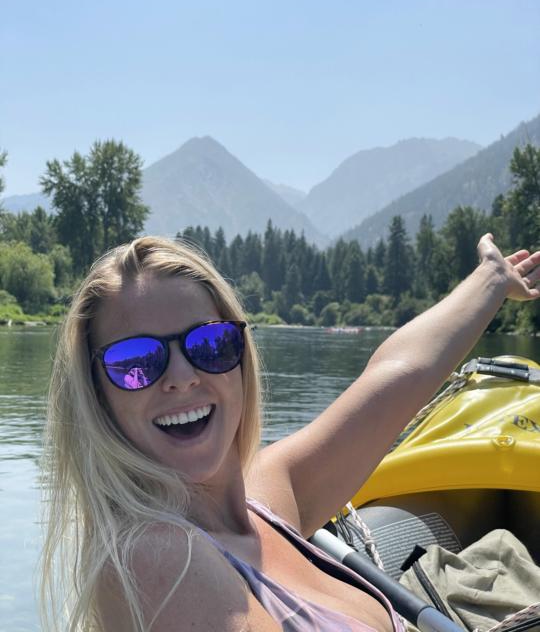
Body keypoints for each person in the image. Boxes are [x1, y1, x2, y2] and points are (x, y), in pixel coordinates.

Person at [40, 233, 540, 632]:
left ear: (240, 358)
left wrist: (492, 279)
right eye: (135, 362)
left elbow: (396, 372)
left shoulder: (263, 501)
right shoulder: (156, 559)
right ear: (95, 395)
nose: (182, 376)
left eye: (209, 343)